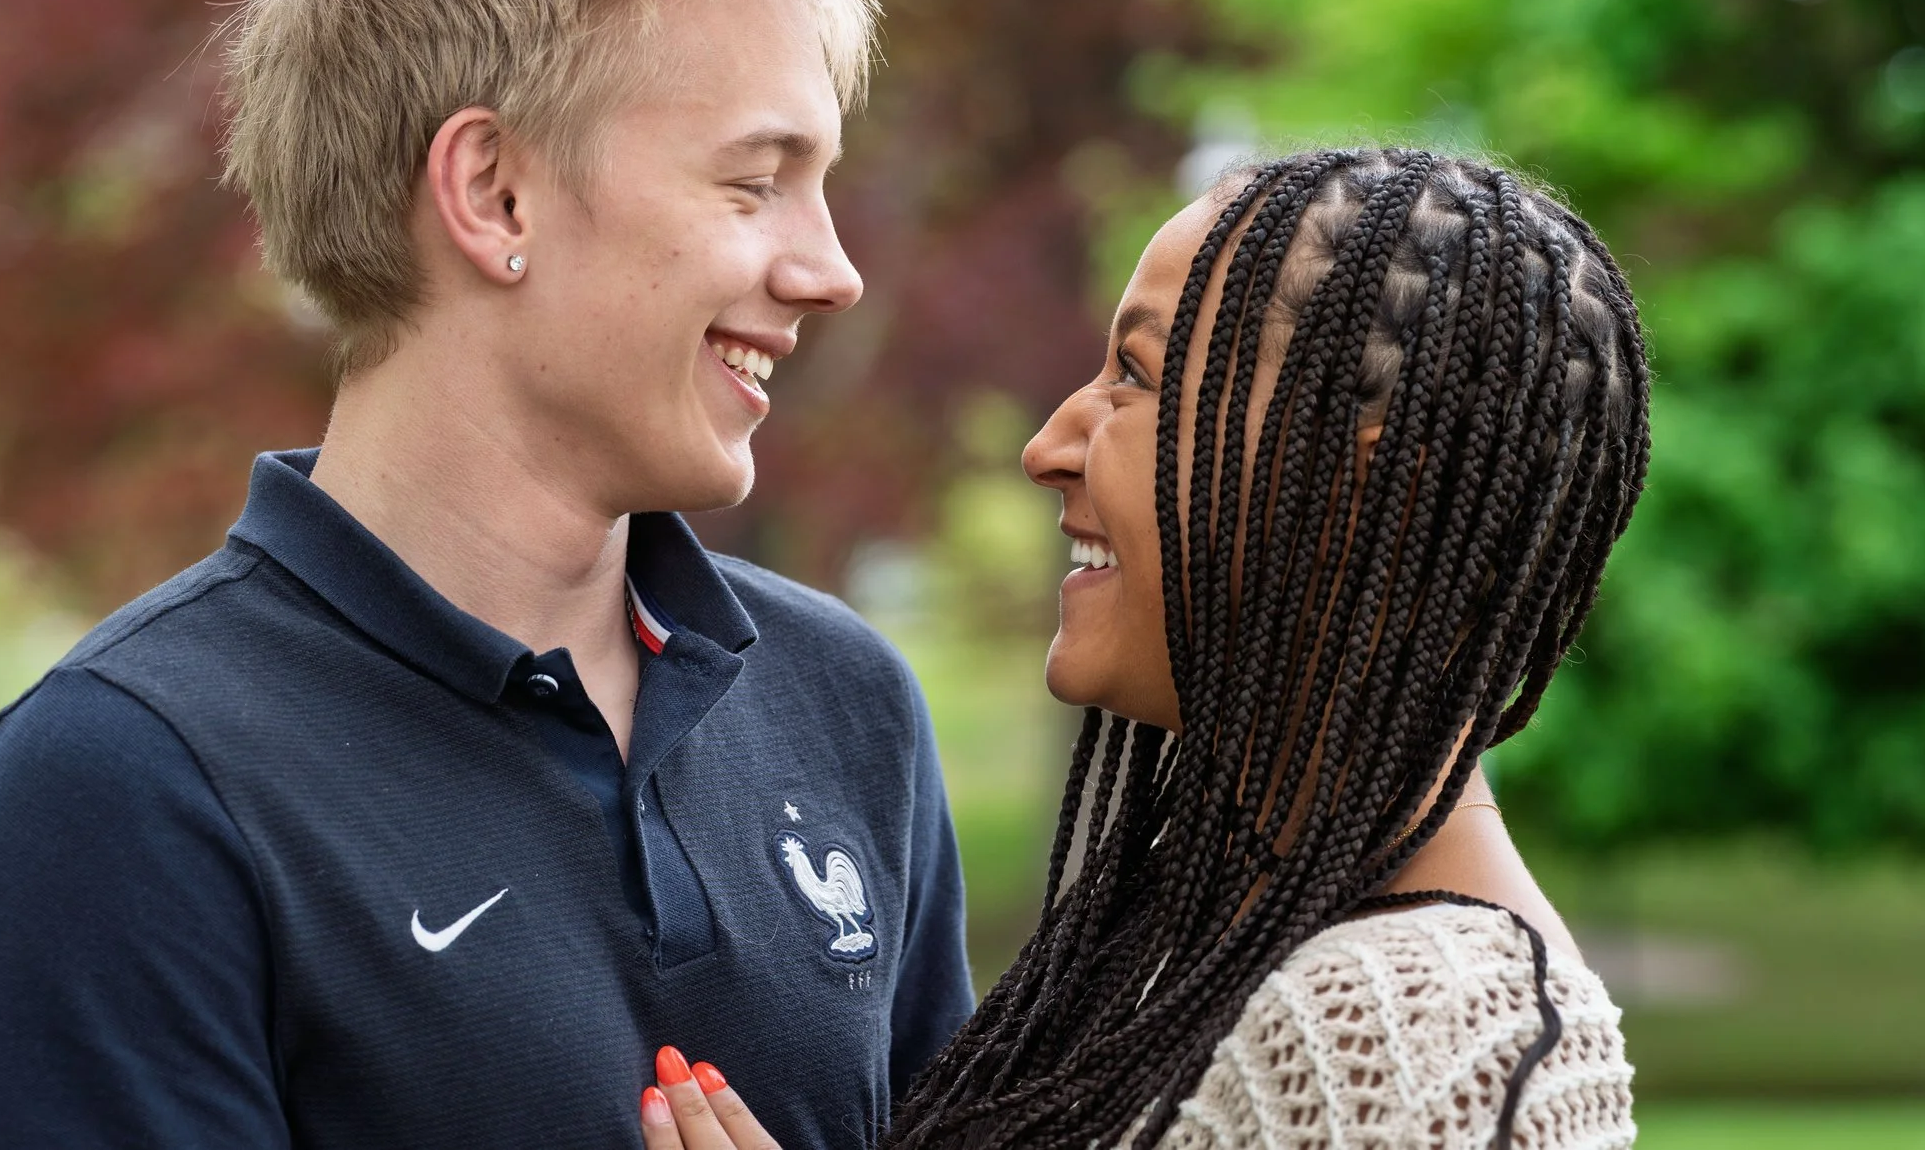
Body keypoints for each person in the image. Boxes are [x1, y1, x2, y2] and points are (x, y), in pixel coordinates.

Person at [0, 0, 975, 1147]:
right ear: (493, 194)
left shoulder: (848, 707)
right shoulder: (122, 789)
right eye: (753, 182)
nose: (831, 270)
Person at [638, 148, 1647, 1150]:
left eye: (1135, 376)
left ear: (1372, 498)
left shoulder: (1417, 1036)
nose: (1048, 446)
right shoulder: (1199, 940)